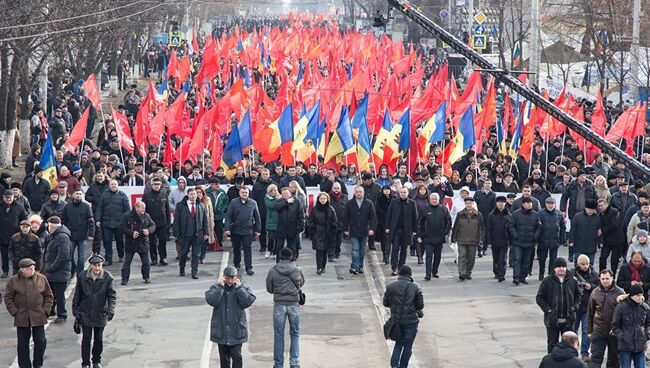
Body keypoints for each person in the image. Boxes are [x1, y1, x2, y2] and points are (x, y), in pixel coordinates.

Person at [4, 258, 53, 368]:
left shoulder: (41, 278)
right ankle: (25, 365)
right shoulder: (13, 281)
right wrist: (14, 312)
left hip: (38, 315)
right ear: (22, 270)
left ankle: (38, 364)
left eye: (33, 268)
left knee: (40, 341)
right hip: (22, 316)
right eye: (30, 268)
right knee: (22, 344)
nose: (32, 270)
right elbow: (8, 298)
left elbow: (49, 296)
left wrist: (46, 310)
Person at [205, 266, 256, 368]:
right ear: (223, 277)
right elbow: (212, 301)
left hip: (236, 330)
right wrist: (220, 287)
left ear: (236, 278)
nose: (230, 281)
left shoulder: (242, 288)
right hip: (222, 330)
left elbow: (247, 301)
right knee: (224, 360)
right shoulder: (216, 288)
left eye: (232, 278)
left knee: (237, 357)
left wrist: (239, 289)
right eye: (228, 278)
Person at [72, 254, 117, 368]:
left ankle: (96, 361)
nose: (97, 268)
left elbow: (111, 295)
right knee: (86, 338)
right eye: (95, 265)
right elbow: (78, 294)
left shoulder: (107, 277)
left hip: (100, 312)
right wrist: (75, 309)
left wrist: (111, 310)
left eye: (99, 265)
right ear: (90, 266)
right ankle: (85, 363)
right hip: (85, 312)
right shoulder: (83, 276)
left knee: (99, 339)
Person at [266, 247, 305, 368]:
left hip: (279, 305)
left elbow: (269, 289)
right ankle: (294, 362)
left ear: (280, 256)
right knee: (295, 333)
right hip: (293, 304)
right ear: (291, 257)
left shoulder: (273, 271)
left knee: (278, 334)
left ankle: (278, 364)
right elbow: (301, 283)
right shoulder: (297, 270)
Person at [537, 257, 583, 353]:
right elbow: (540, 298)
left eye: (563, 266)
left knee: (569, 345)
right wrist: (548, 310)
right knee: (552, 344)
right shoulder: (547, 281)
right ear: (554, 269)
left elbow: (578, 295)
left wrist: (574, 307)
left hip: (568, 318)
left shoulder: (573, 280)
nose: (561, 269)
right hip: (552, 319)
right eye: (558, 267)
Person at [382, 265, 425, 368]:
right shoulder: (415, 287)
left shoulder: (390, 286)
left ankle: (394, 366)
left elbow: (386, 303)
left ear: (400, 274)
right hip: (411, 322)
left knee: (398, 344)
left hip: (396, 321)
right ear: (410, 275)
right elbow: (420, 305)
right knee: (408, 347)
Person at [587, 268, 625, 368]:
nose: (605, 281)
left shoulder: (620, 293)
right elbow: (590, 313)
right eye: (603, 279)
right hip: (598, 330)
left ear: (612, 278)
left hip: (614, 332)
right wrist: (590, 331)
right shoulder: (595, 292)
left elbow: (625, 315)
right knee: (595, 358)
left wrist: (618, 329)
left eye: (607, 278)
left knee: (614, 360)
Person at [173, 188, 209, 279]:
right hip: (185, 234)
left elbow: (205, 220)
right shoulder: (180, 205)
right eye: (191, 194)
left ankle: (194, 272)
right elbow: (176, 220)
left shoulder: (201, 205)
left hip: (197, 234)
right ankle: (182, 269)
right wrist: (176, 233)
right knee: (183, 253)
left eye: (195, 194)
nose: (193, 196)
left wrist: (206, 232)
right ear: (188, 195)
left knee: (196, 254)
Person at [224, 187, 262, 275]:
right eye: (243, 192)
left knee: (247, 249)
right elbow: (228, 216)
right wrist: (227, 228)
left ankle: (249, 267)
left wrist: (258, 230)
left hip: (248, 230)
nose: (244, 194)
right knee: (236, 248)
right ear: (239, 193)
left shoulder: (253, 203)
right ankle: (236, 265)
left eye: (246, 192)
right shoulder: (234, 202)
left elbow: (257, 217)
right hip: (236, 230)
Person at [611, 283, 650, 368]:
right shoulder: (621, 307)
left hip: (641, 345)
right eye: (637, 295)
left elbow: (648, 323)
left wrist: (647, 335)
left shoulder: (645, 307)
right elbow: (615, 325)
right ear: (631, 295)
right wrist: (622, 336)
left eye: (641, 295)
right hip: (625, 346)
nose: (640, 297)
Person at [43, 216, 72, 323]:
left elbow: (63, 256)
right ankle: (51, 311)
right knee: (51, 293)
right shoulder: (54, 236)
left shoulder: (62, 237)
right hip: (53, 272)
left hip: (59, 272)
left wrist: (51, 268)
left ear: (53, 226)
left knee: (59, 296)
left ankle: (62, 315)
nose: (47, 228)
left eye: (49, 226)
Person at [417, 193, 452, 280]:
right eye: (432, 199)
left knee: (437, 256)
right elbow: (420, 223)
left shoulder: (444, 209)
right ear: (430, 199)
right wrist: (420, 234)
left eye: (435, 199)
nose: (434, 200)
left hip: (439, 237)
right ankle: (428, 274)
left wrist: (445, 233)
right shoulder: (425, 209)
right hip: (428, 237)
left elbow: (448, 222)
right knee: (429, 256)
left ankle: (434, 271)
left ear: (438, 199)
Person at [120, 201, 156, 285]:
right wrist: (131, 233)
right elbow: (122, 228)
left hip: (143, 242)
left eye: (144, 207)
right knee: (127, 262)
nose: (144, 209)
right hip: (131, 242)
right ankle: (124, 278)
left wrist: (148, 230)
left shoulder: (147, 216)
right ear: (136, 208)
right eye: (142, 207)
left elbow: (153, 225)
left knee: (146, 262)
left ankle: (146, 277)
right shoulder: (127, 216)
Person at [62, 188, 95, 277]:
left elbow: (91, 221)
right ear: (73, 195)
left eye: (80, 194)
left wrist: (91, 234)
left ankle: (79, 274)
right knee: (69, 256)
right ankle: (73, 270)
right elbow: (63, 221)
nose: (78, 195)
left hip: (82, 236)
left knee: (81, 257)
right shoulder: (67, 206)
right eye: (76, 193)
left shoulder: (86, 206)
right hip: (70, 235)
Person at [343, 186, 377, 275]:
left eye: (360, 192)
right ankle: (354, 266)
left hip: (364, 231)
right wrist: (346, 229)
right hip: (354, 231)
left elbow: (373, 217)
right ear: (354, 192)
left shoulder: (369, 203)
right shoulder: (350, 203)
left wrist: (372, 229)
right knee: (355, 250)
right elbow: (346, 217)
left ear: (363, 192)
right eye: (357, 192)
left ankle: (360, 266)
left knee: (361, 251)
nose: (358, 193)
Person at [573, 254, 600, 362]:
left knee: (586, 331)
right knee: (572, 330)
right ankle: (572, 352)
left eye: (587, 264)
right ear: (578, 264)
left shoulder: (594, 275)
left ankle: (585, 352)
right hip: (575, 307)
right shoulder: (572, 274)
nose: (585, 266)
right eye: (583, 264)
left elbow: (600, 288)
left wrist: (591, 286)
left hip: (588, 307)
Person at [96, 180, 130, 265]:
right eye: (112, 184)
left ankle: (121, 256)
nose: (113, 186)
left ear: (118, 185)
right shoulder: (104, 195)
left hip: (119, 223)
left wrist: (128, 221)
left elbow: (127, 210)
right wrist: (98, 220)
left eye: (115, 184)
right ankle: (108, 259)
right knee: (107, 242)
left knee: (120, 241)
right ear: (109, 185)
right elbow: (100, 208)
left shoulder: (123, 196)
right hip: (106, 223)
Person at [508, 197, 541, 285]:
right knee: (517, 260)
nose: (529, 205)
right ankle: (516, 277)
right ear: (523, 204)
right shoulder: (515, 214)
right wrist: (515, 235)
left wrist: (535, 236)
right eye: (527, 203)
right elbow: (511, 226)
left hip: (530, 242)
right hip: (518, 241)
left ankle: (523, 277)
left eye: (530, 203)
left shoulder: (535, 215)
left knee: (526, 261)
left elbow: (539, 227)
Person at [386, 187, 418, 274]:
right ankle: (394, 267)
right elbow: (389, 215)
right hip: (396, 229)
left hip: (407, 230)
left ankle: (401, 267)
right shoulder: (394, 202)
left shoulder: (412, 203)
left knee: (404, 249)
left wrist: (415, 230)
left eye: (404, 192)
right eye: (401, 192)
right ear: (399, 193)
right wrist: (387, 227)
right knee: (395, 248)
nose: (403, 194)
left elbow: (415, 217)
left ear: (407, 193)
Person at [451, 197, 484, 281]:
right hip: (461, 239)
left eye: (470, 203)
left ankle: (468, 273)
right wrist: (453, 238)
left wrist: (481, 238)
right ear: (465, 204)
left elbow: (481, 227)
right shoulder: (460, 214)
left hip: (473, 240)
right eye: (467, 203)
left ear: (473, 204)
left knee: (471, 258)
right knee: (462, 257)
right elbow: (456, 227)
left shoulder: (478, 214)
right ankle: (462, 273)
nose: (469, 205)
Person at [141, 178, 171, 266]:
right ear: (152, 185)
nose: (157, 186)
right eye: (155, 184)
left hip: (162, 222)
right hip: (151, 223)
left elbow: (168, 210)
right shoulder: (146, 195)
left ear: (160, 185)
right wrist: (144, 223)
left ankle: (163, 258)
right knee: (152, 242)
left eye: (158, 184)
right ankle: (153, 259)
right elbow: (143, 210)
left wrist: (168, 222)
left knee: (162, 241)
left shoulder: (164, 194)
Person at [307, 192, 338, 275]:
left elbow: (334, 220)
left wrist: (333, 228)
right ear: (318, 199)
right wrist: (313, 228)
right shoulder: (314, 209)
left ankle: (323, 266)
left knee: (325, 251)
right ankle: (319, 267)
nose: (323, 200)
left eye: (324, 199)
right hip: (318, 232)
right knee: (319, 251)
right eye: (321, 199)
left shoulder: (331, 209)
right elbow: (310, 220)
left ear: (327, 199)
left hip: (328, 233)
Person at [1, 190, 29, 278]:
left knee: (17, 255)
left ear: (14, 197)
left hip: (16, 235)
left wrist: (22, 230)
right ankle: (5, 270)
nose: (9, 199)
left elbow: (24, 218)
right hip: (2, 235)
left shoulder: (19, 206)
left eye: (10, 197)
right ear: (3, 197)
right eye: (7, 197)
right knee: (4, 254)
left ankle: (17, 271)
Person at [273, 187, 306, 261]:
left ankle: (290, 263)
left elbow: (301, 215)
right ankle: (278, 263)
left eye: (287, 193)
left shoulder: (297, 202)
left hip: (292, 228)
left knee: (292, 248)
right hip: (281, 229)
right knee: (279, 247)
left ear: (290, 193)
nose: (285, 195)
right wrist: (286, 202)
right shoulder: (279, 201)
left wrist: (301, 226)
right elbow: (276, 207)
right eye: (283, 194)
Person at [538, 197, 566, 281]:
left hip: (554, 240)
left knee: (553, 260)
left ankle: (551, 275)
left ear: (555, 204)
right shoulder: (540, 213)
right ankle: (541, 272)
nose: (550, 205)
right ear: (545, 204)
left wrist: (562, 239)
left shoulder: (559, 214)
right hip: (543, 240)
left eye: (552, 204)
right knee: (542, 258)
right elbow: (537, 227)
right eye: (548, 204)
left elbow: (563, 227)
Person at [485, 196, 511, 282]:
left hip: (504, 240)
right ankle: (496, 272)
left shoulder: (508, 214)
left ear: (505, 203)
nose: (500, 204)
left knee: (503, 258)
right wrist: (488, 241)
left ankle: (501, 274)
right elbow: (488, 228)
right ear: (496, 203)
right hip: (494, 240)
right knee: (495, 258)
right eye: (499, 202)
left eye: (502, 202)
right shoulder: (491, 215)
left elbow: (511, 228)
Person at [570, 200, 602, 267]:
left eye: (592, 210)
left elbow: (600, 231)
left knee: (590, 264)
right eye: (589, 209)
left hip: (591, 245)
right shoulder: (577, 217)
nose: (590, 211)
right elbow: (573, 229)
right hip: (579, 244)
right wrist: (571, 241)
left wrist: (600, 242)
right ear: (585, 208)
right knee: (578, 263)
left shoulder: (598, 218)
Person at [205, 177, 229, 252]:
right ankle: (208, 244)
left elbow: (226, 201)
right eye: (216, 184)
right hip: (209, 215)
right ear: (211, 184)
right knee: (209, 229)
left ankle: (219, 244)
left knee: (219, 230)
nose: (218, 186)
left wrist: (222, 209)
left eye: (218, 184)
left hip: (219, 215)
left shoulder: (222, 192)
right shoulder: (206, 192)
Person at [473, 178, 495, 257]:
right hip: (478, 216)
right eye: (486, 183)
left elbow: (494, 207)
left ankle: (483, 249)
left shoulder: (493, 195)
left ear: (491, 185)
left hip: (488, 217)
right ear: (483, 184)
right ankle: (477, 249)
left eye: (489, 183)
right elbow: (473, 204)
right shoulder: (478, 193)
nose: (487, 185)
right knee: (477, 232)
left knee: (485, 234)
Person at [328, 182, 348, 261]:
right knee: (331, 239)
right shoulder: (328, 196)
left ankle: (337, 252)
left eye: (338, 188)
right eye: (335, 188)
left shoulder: (345, 197)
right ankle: (331, 254)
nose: (336, 190)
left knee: (339, 240)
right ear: (332, 188)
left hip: (341, 222)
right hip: (331, 222)